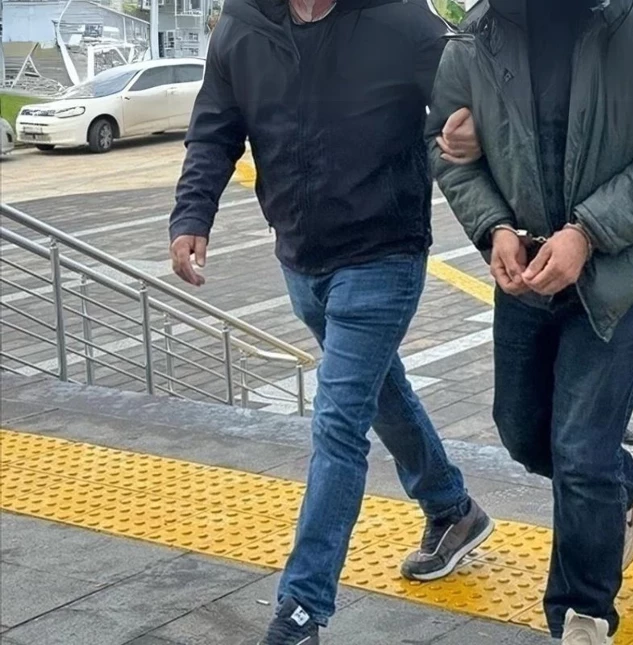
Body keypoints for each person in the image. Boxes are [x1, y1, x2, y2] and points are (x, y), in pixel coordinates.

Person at [168, 0, 493, 643]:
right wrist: (192, 215)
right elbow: (215, 131)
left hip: (384, 254)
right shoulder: (243, 27)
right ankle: (452, 508)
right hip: (300, 257)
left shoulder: (403, 22)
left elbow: (481, 96)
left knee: (338, 421)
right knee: (381, 391)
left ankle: (301, 609)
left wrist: (476, 132)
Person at [428, 0, 633, 642]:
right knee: (523, 434)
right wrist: (494, 226)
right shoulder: (481, 35)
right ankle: (625, 476)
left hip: (624, 271)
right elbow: (444, 147)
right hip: (527, 269)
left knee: (580, 452)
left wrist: (587, 233)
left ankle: (582, 616)